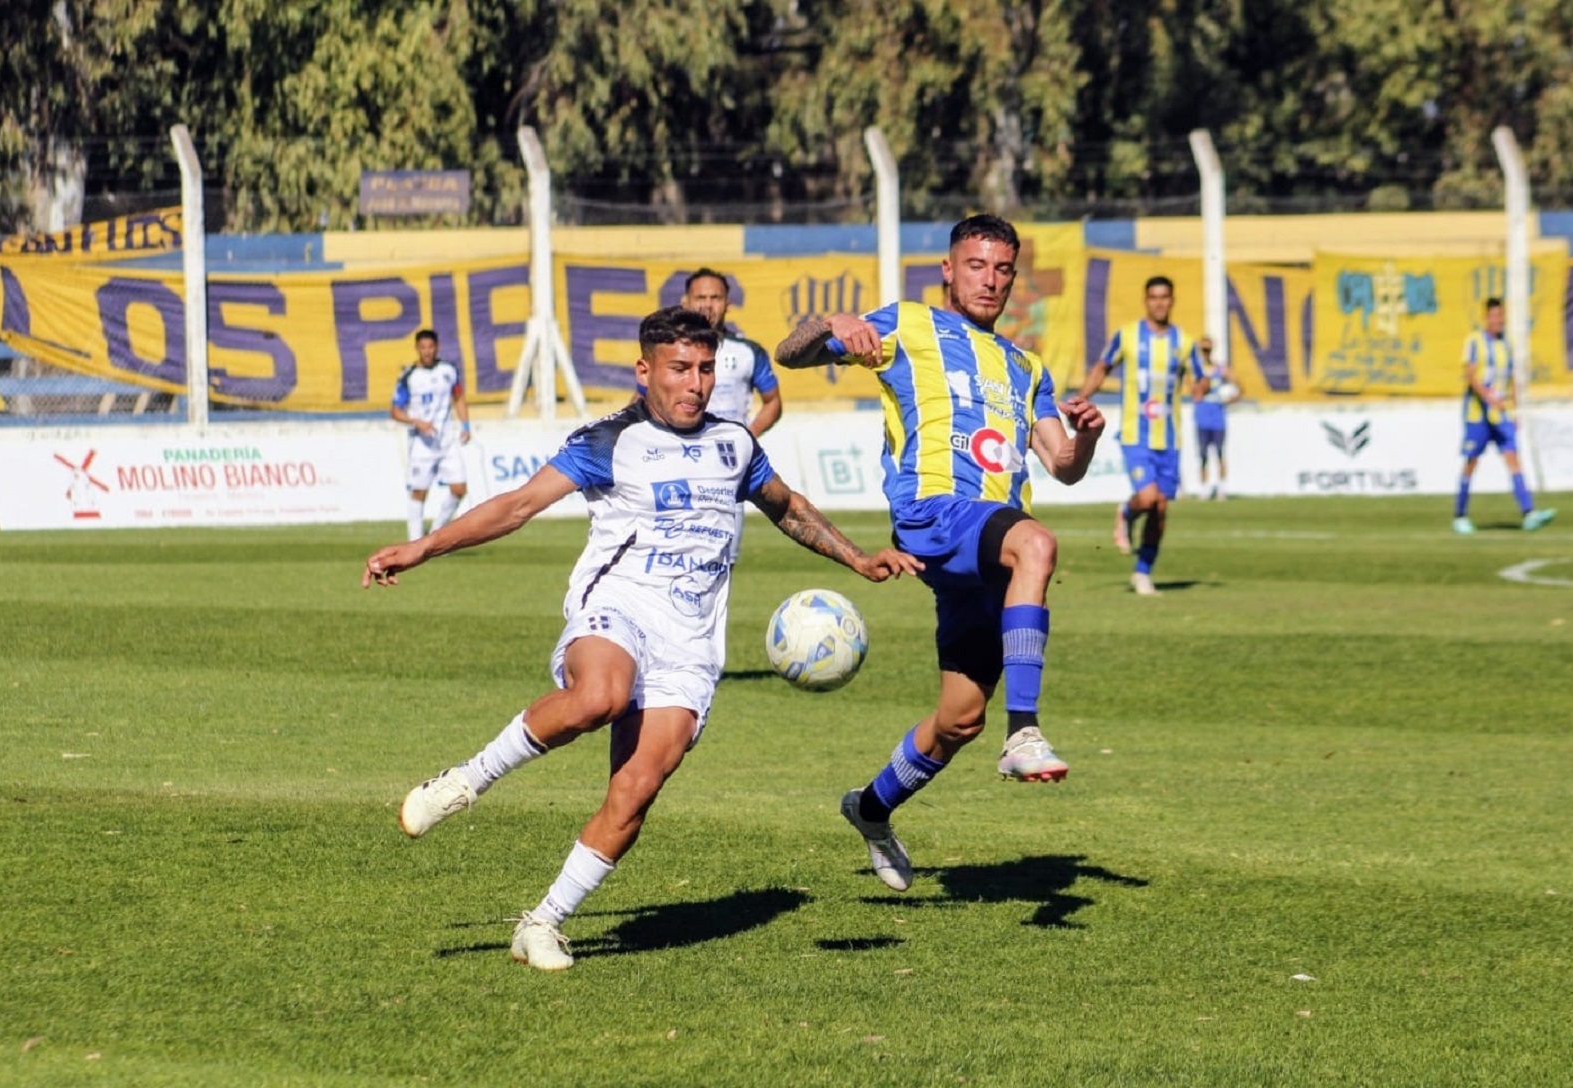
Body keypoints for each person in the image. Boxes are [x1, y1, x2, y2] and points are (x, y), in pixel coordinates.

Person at [364, 307, 918, 970]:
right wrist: (423, 548)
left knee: (634, 793)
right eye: (680, 368)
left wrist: (859, 560)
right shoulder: (609, 440)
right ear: (644, 370)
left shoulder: (734, 444)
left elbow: (787, 506)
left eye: (706, 368)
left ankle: (542, 923)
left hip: (690, 645)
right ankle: (466, 781)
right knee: (600, 695)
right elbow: (516, 506)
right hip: (616, 608)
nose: (696, 384)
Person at [775, 213, 1106, 892]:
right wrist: (834, 323)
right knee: (1037, 542)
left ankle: (870, 809)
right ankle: (1026, 732)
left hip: (984, 551)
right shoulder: (908, 324)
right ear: (948, 271)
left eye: (1003, 269)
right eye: (976, 266)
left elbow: (1063, 464)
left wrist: (1089, 437)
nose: (991, 280)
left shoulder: (1026, 365)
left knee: (957, 720)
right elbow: (791, 352)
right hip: (934, 515)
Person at [1076, 276, 1208, 597]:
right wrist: (1081, 398)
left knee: (1160, 509)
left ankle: (1142, 573)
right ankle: (1125, 512)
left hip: (1170, 439)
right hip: (1136, 434)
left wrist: (1200, 389)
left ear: (1172, 300)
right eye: (1153, 297)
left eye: (1164, 297)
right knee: (1148, 498)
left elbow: (1200, 378)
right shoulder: (1127, 336)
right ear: (1146, 300)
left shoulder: (1185, 342)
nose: (1159, 303)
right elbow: (1102, 367)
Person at [682, 267, 783, 567]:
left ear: (728, 303)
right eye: (700, 297)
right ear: (685, 301)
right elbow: (642, 398)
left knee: (722, 565)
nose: (707, 304)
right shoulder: (669, 352)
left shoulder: (747, 352)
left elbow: (773, 402)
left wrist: (746, 438)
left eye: (715, 297)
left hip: (727, 470)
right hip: (680, 464)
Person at [1453, 298, 1556, 534]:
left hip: (1501, 415)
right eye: (1494, 316)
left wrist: (1514, 410)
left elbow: (1511, 381)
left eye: (1501, 316)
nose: (1498, 320)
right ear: (1487, 317)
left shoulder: (1505, 346)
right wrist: (1489, 398)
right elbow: (1470, 375)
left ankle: (1529, 513)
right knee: (1471, 463)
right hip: (1477, 415)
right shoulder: (1475, 341)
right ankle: (1460, 515)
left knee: (1513, 459)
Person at [389, 329, 471, 541]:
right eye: (423, 347)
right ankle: (414, 543)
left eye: (430, 347)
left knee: (460, 489)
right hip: (421, 444)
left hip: (446, 442)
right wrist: (416, 421)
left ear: (437, 347)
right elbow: (395, 411)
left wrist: (466, 425)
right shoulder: (409, 377)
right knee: (419, 493)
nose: (427, 351)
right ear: (417, 349)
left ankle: (436, 534)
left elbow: (459, 398)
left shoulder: (448, 371)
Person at [1191, 337, 1238, 501]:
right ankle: (1204, 488)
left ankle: (1221, 488)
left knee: (1219, 453)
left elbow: (1240, 387)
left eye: (1208, 350)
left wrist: (1230, 399)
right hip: (1202, 417)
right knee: (1203, 455)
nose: (1206, 353)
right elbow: (1193, 391)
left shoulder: (1221, 369)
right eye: (1203, 350)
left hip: (1218, 418)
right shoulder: (1195, 370)